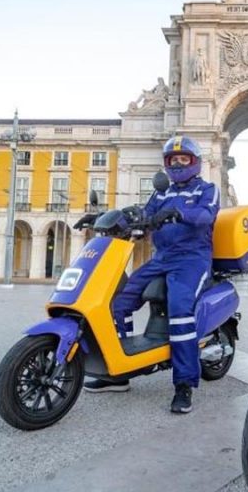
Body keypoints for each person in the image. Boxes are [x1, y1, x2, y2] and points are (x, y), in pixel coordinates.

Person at [84, 135, 220, 414]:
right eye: (173, 159)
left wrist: (179, 213)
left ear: (195, 162)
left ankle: (184, 384)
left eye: (184, 159)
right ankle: (120, 371)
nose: (178, 163)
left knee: (180, 311)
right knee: (119, 302)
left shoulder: (207, 189)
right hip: (161, 259)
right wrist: (104, 219)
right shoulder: (160, 194)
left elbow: (206, 216)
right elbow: (143, 217)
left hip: (191, 260)